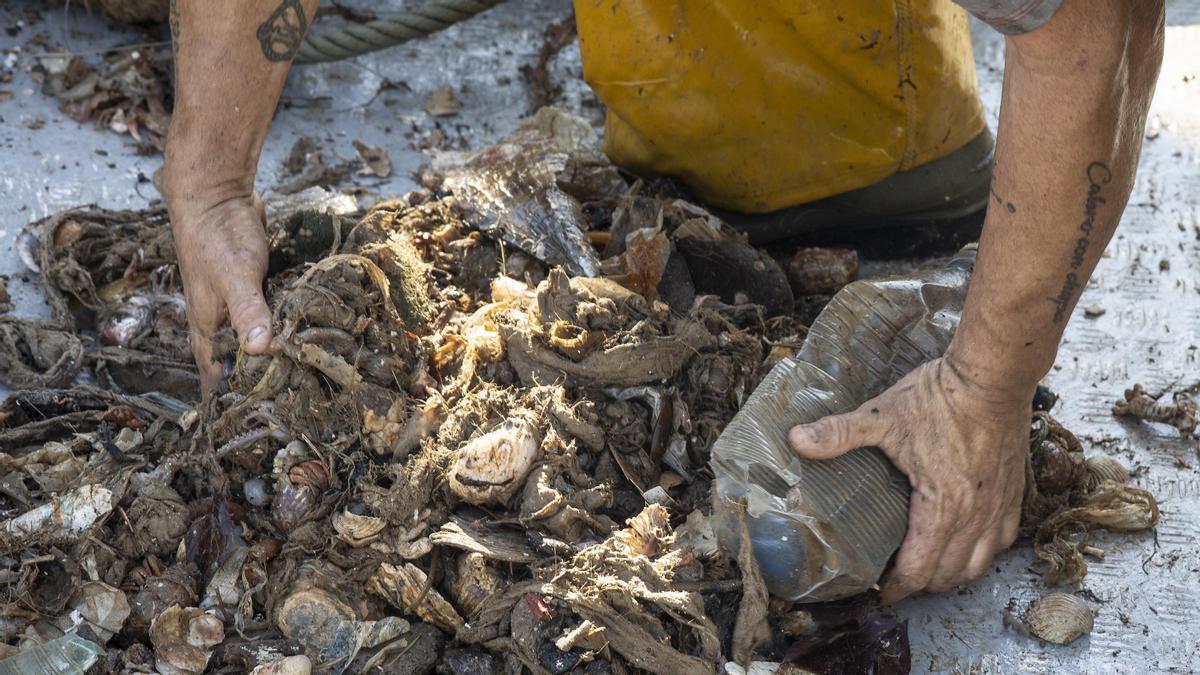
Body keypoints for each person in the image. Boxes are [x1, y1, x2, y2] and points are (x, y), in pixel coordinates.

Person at [163, 0, 1164, 603]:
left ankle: (871, 166)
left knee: (827, 152)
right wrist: (209, 176)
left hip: (867, 122)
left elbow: (1096, 33)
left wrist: (986, 391)